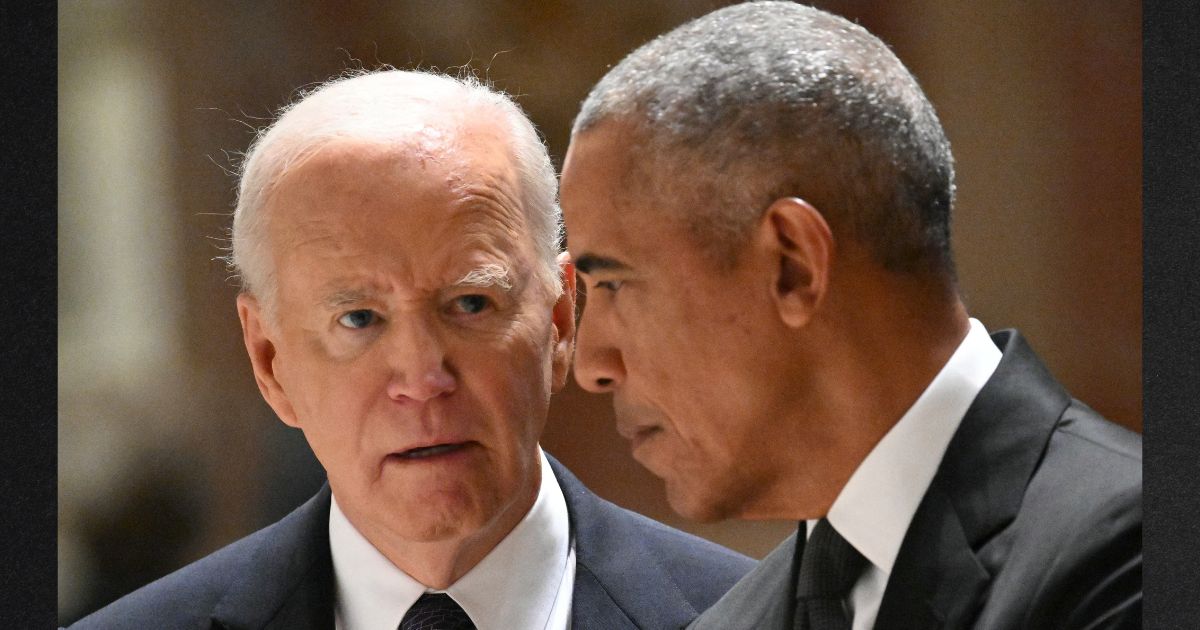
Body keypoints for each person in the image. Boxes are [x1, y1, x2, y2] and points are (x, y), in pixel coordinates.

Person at [68, 68, 753, 630]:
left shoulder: (761, 617)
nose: (424, 377)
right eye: (360, 319)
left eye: (471, 304)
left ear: (562, 321)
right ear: (270, 361)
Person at [558, 3, 1141, 629]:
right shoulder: (724, 623)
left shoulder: (1133, 553)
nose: (591, 365)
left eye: (615, 283)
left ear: (793, 266)